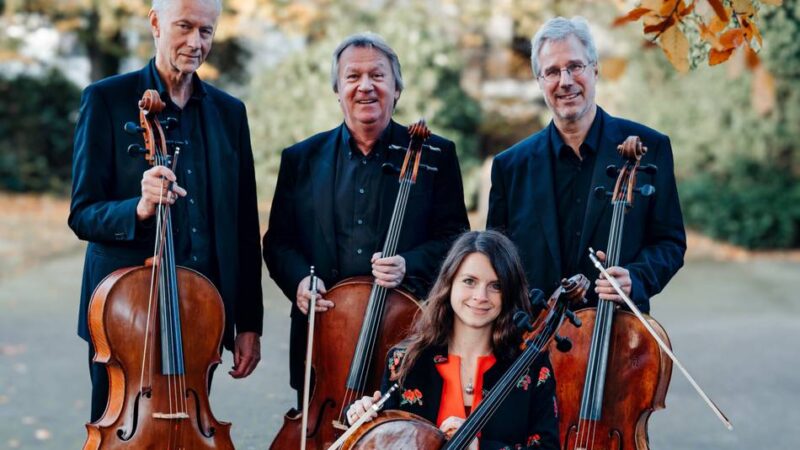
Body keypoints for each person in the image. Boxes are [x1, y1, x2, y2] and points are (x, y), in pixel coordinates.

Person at [68, 0, 263, 422]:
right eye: (185, 27)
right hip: (125, 315)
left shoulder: (231, 113)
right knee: (120, 427)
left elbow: (244, 226)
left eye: (207, 31)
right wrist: (137, 208)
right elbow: (82, 213)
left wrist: (248, 322)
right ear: (155, 23)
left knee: (188, 426)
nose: (196, 42)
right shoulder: (105, 99)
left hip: (202, 313)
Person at [262, 32, 470, 404]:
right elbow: (278, 242)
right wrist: (299, 283)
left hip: (404, 335)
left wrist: (409, 264)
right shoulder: (301, 159)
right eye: (352, 77)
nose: (365, 87)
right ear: (338, 90)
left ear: (397, 88)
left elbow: (456, 241)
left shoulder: (435, 154)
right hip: (322, 344)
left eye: (377, 76)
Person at [487, 17, 686, 313]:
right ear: (540, 82)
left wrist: (637, 277)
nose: (565, 81)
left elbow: (669, 242)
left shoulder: (649, 147)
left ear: (595, 69)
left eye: (575, 66)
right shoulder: (510, 166)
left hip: (618, 337)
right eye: (552, 71)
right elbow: (497, 261)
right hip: (535, 342)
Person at [347, 230, 559, 449]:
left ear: (509, 292)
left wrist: (480, 447)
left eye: (495, 286)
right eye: (469, 281)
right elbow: (386, 441)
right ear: (449, 284)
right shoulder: (406, 360)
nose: (480, 296)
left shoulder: (532, 366)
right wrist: (363, 418)